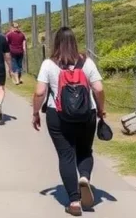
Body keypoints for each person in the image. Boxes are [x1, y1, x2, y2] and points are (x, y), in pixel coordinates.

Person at [31, 27, 106, 216]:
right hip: (86, 114)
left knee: (66, 156)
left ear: (55, 43)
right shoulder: (86, 62)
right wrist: (101, 110)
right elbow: (98, 88)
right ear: (74, 42)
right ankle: (84, 177)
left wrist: (35, 112)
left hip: (58, 115)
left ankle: (74, 201)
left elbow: (40, 92)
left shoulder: (49, 64)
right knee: (85, 150)